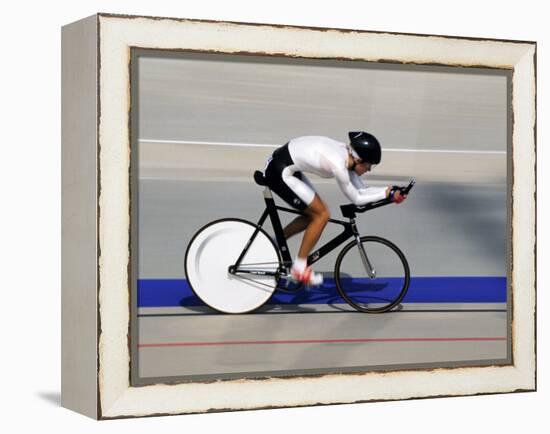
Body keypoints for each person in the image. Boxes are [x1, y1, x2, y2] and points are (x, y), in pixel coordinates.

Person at [262, 131, 407, 286]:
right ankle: (299, 267)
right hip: (280, 172)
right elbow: (357, 198)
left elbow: (362, 190)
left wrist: (390, 191)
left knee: (313, 215)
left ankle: (273, 242)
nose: (370, 169)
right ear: (358, 159)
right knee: (322, 215)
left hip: (285, 164)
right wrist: (386, 193)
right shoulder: (338, 163)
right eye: (369, 165)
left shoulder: (348, 157)